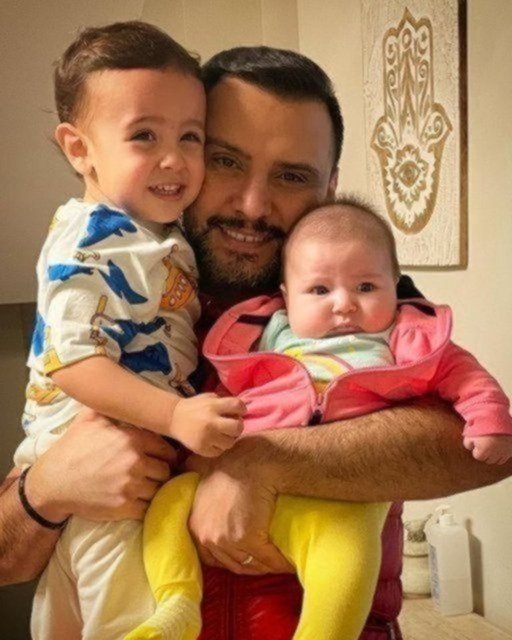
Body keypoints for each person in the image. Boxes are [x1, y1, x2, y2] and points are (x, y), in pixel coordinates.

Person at [1, 44, 511, 640]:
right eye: (225, 161)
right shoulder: (125, 296)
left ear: (330, 186)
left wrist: (260, 462)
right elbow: (8, 559)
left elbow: (472, 447)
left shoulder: (365, 307)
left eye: (291, 176)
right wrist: (46, 491)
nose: (251, 205)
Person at [130, 197, 512, 640]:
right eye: (319, 290)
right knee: (170, 502)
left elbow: (462, 375)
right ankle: (176, 602)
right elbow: (228, 394)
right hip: (235, 488)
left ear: (395, 285)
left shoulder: (405, 338)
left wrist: (488, 418)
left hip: (338, 501)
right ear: (286, 297)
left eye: (366, 287)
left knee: (349, 555)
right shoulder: (263, 334)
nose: (344, 305)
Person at [13, 20, 247, 639]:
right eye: (144, 135)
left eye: (191, 136)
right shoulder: (91, 237)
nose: (175, 159)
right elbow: (71, 359)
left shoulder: (152, 231)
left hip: (110, 467)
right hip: (101, 463)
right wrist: (174, 415)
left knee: (69, 615)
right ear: (79, 149)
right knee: (133, 616)